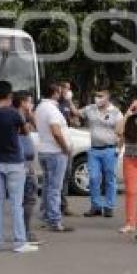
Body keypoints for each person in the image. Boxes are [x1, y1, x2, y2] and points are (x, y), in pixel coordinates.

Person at [0, 80, 38, 253]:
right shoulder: (14, 114)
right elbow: (26, 131)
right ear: (9, 95)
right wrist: (28, 115)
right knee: (16, 203)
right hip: (14, 162)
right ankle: (19, 242)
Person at [35, 83, 75, 233]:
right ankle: (54, 220)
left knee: (47, 185)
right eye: (59, 92)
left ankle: (46, 215)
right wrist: (65, 147)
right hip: (55, 152)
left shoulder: (40, 107)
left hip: (45, 150)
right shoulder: (51, 109)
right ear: (55, 93)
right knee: (55, 188)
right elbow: (56, 131)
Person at [80, 88, 123, 218]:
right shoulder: (90, 109)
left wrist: (118, 149)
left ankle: (109, 206)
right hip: (94, 150)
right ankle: (96, 206)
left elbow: (121, 132)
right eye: (96, 95)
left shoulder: (116, 112)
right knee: (93, 178)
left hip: (109, 150)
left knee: (110, 179)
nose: (97, 98)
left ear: (107, 97)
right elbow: (77, 113)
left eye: (101, 96)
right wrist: (69, 100)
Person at [117, 96, 137, 234]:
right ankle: (130, 223)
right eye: (134, 107)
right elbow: (118, 132)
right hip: (130, 158)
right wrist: (127, 114)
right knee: (131, 191)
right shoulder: (127, 120)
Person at [12, 90, 41, 245]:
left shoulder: (22, 117)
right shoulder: (17, 117)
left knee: (25, 198)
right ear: (23, 102)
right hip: (22, 163)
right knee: (28, 197)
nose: (31, 105)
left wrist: (30, 115)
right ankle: (25, 231)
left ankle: (24, 230)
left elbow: (35, 127)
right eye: (29, 102)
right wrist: (30, 115)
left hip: (24, 161)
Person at [57, 80, 81, 217]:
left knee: (66, 175)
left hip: (67, 142)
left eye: (69, 88)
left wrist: (70, 102)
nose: (67, 91)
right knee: (56, 178)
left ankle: (63, 205)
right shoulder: (55, 104)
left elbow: (75, 115)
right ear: (59, 89)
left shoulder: (66, 103)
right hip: (58, 145)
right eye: (65, 88)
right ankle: (53, 207)